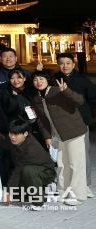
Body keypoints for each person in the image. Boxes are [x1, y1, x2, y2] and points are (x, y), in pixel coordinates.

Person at [30, 71, 87, 205]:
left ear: (47, 79)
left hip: (73, 132)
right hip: (58, 135)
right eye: (35, 80)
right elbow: (41, 120)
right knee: (62, 165)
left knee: (75, 164)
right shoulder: (37, 98)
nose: (38, 82)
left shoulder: (57, 90)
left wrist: (66, 91)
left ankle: (78, 195)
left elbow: (80, 101)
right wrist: (47, 137)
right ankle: (63, 191)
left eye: (41, 78)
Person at [55, 52, 96, 190]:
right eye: (61, 63)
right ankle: (67, 183)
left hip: (80, 121)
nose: (65, 66)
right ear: (58, 65)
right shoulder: (54, 79)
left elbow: (93, 99)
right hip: (61, 122)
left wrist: (87, 115)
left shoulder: (82, 80)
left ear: (73, 64)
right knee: (64, 155)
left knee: (82, 154)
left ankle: (85, 184)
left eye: (68, 63)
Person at [0, 119, 56, 209]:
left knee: (28, 170)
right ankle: (44, 191)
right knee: (19, 197)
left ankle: (38, 202)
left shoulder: (31, 149)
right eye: (11, 133)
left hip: (46, 172)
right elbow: (7, 142)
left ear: (25, 134)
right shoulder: (18, 140)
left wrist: (9, 192)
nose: (12, 137)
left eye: (16, 134)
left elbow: (18, 170)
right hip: (28, 171)